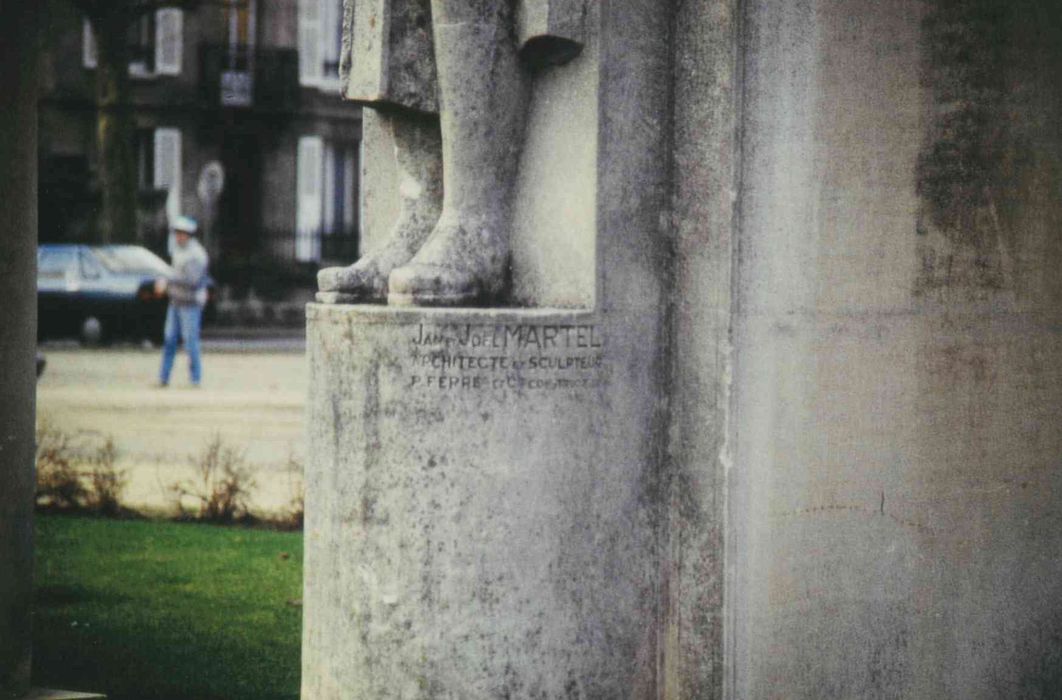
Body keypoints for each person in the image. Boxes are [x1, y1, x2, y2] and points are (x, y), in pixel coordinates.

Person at [157, 216, 209, 387]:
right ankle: (163, 378)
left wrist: (169, 279)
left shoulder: (197, 254)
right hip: (176, 302)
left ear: (189, 235)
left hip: (190, 304)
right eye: (177, 233)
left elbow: (192, 280)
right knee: (169, 339)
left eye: (181, 233)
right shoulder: (178, 251)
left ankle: (196, 379)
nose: (178, 237)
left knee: (190, 342)